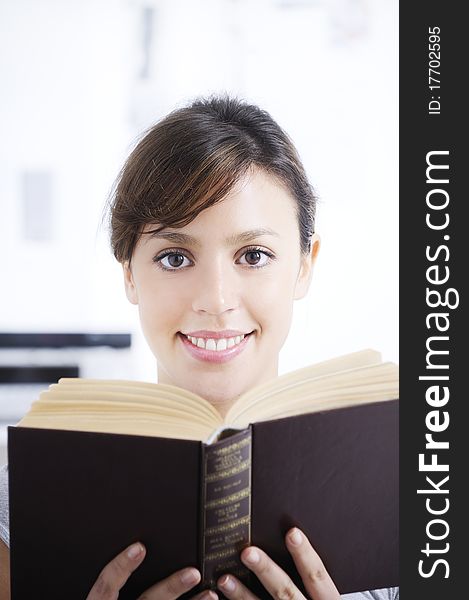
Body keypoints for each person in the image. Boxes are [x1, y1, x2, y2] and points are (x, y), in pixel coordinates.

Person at [0, 95, 398, 599]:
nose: (215, 300)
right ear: (129, 273)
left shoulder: (406, 489)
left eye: (253, 255)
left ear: (304, 263)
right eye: (173, 258)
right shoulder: (28, 496)